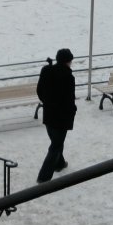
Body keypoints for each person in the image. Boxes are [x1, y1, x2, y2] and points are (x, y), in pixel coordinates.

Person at [36, 48, 77, 183]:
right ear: (67, 61)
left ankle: (59, 164)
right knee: (56, 146)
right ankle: (43, 178)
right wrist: (72, 110)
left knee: (56, 141)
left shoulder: (46, 71)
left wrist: (46, 102)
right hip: (61, 118)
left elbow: (39, 90)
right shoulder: (68, 77)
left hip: (48, 114)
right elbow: (70, 100)